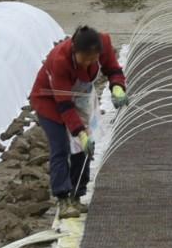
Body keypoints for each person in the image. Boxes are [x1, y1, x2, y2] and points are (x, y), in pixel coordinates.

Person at [29, 26, 128, 212]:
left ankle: (77, 195)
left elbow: (113, 69)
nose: (89, 63)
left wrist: (117, 87)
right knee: (62, 147)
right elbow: (64, 106)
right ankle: (63, 199)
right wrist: (79, 133)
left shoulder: (103, 44)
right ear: (75, 51)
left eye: (94, 59)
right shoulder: (60, 60)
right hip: (51, 102)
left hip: (81, 99)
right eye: (85, 59)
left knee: (84, 149)